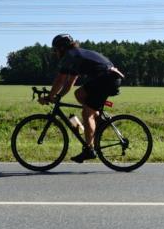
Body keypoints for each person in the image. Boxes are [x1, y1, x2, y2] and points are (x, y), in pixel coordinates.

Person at [41, 34, 124, 163]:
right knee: (79, 94)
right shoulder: (76, 55)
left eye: (56, 50)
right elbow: (69, 84)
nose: (55, 53)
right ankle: (99, 119)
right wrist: (57, 96)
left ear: (62, 48)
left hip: (106, 79)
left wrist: (50, 96)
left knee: (86, 113)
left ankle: (89, 150)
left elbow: (60, 80)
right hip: (108, 78)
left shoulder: (70, 56)